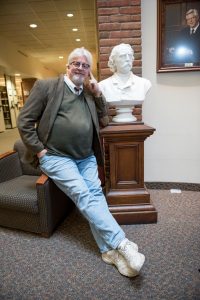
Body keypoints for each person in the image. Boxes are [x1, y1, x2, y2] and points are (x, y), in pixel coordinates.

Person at [17, 47, 145, 278]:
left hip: (85, 157)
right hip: (56, 156)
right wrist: (40, 151)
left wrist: (97, 94)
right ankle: (122, 243)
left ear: (89, 71)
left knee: (95, 195)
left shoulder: (88, 91)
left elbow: (104, 119)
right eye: (76, 63)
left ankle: (108, 251)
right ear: (68, 66)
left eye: (85, 65)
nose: (80, 68)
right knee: (83, 195)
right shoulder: (47, 87)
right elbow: (25, 120)